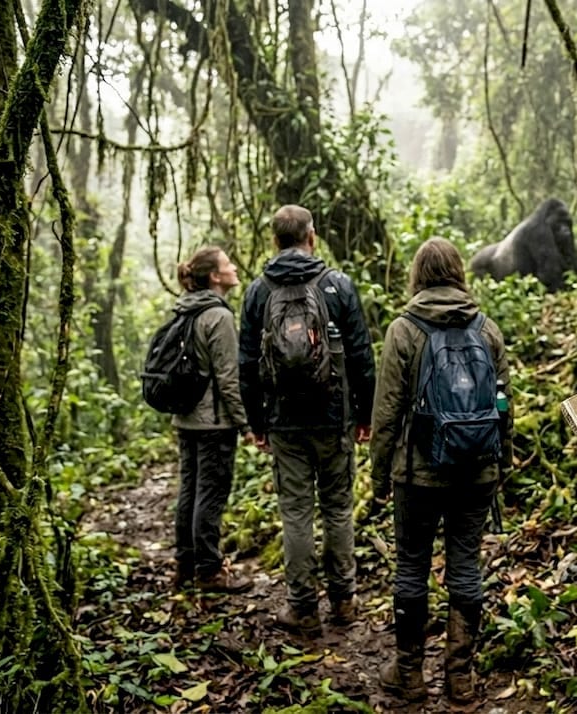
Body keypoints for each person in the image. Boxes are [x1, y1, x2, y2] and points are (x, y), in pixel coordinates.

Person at [369, 237, 512, 704]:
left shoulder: (404, 330)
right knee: (465, 567)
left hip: (418, 474)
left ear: (418, 276)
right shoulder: (487, 329)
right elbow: (503, 404)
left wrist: (378, 477)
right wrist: (502, 463)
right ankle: (461, 677)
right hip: (477, 472)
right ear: (458, 273)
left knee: (411, 563)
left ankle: (409, 674)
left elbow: (386, 410)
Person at [239, 205, 376, 635]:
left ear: (275, 241)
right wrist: (365, 415)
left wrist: (256, 421)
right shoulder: (338, 286)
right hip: (335, 418)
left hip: (283, 421)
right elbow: (361, 357)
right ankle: (344, 603)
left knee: (295, 512)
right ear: (311, 237)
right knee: (337, 508)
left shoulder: (258, 292)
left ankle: (302, 607)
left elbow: (245, 364)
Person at [170, 246, 253, 594]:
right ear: (215, 277)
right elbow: (227, 378)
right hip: (213, 422)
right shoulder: (218, 316)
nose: (234, 268)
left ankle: (185, 565)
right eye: (227, 264)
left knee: (189, 490)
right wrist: (245, 423)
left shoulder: (182, 310)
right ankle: (209, 570)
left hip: (186, 417)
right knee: (211, 493)